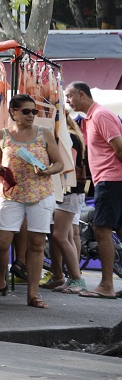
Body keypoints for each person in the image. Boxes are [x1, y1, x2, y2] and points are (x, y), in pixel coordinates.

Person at [0, 93, 64, 309]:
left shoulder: (44, 134)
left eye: (34, 111)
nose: (31, 115)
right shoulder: (2, 135)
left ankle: (33, 294)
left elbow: (59, 163)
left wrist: (47, 171)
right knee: (0, 242)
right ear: (13, 112)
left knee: (36, 245)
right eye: (26, 111)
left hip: (40, 194)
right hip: (12, 194)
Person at [65, 81, 122, 299]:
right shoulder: (92, 117)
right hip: (109, 180)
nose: (68, 100)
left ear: (82, 94)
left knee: (102, 230)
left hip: (111, 180)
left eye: (70, 96)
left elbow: (119, 147)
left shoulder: (100, 115)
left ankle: (107, 285)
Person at [42, 111, 88, 294]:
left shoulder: (68, 136)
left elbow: (69, 165)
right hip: (67, 192)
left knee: (61, 236)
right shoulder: (71, 135)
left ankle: (76, 278)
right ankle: (70, 278)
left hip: (69, 192)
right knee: (66, 235)